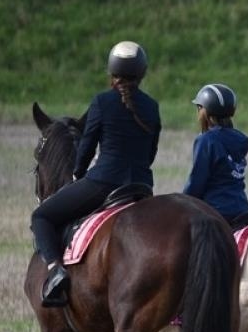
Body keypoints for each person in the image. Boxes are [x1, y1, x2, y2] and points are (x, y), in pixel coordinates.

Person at [29, 40, 161, 307]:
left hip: (104, 183)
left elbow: (86, 149)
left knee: (41, 216)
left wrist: (78, 173)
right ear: (142, 73)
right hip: (141, 187)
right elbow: (150, 153)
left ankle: (55, 272)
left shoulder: (102, 102)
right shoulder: (151, 106)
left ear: (112, 72)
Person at [185, 82, 248, 230]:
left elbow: (197, 181)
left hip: (215, 210)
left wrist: (181, 202)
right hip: (240, 208)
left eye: (199, 108)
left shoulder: (207, 140)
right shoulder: (239, 138)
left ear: (204, 111)